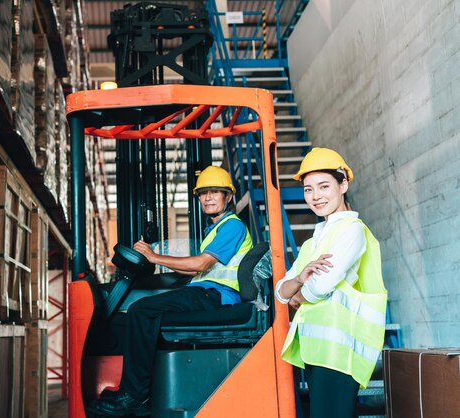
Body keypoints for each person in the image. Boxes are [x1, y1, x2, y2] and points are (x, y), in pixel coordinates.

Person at [90, 166, 252, 416]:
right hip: (206, 291)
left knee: (140, 310)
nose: (208, 198)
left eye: (215, 192)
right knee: (146, 312)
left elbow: (200, 264)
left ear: (228, 197)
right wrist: (154, 259)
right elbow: (195, 271)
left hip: (217, 296)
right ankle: (136, 392)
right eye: (203, 193)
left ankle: (134, 396)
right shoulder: (214, 231)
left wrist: (154, 257)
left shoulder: (232, 226)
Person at [275, 148, 387, 418]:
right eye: (308, 189)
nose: (315, 197)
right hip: (317, 351)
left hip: (340, 352)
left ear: (343, 184)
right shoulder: (313, 242)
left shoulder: (352, 231)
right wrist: (300, 279)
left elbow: (320, 287)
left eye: (324, 186)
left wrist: (298, 293)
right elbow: (280, 290)